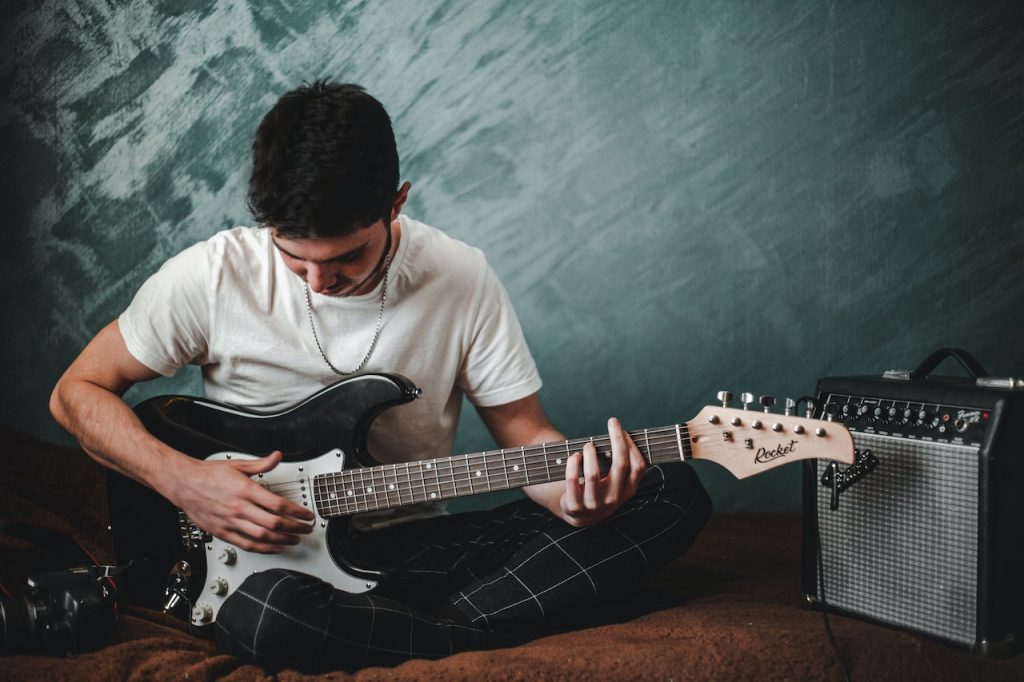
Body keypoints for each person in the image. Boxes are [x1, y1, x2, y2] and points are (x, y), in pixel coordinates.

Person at [50, 81, 712, 672]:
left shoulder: (459, 276)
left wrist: (574, 497)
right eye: (293, 257)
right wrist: (185, 482)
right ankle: (468, 628)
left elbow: (527, 434)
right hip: (262, 571)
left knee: (671, 490)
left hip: (411, 549)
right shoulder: (210, 277)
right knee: (271, 615)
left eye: (345, 258)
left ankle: (425, 636)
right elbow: (75, 393)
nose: (318, 281)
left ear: (397, 202)